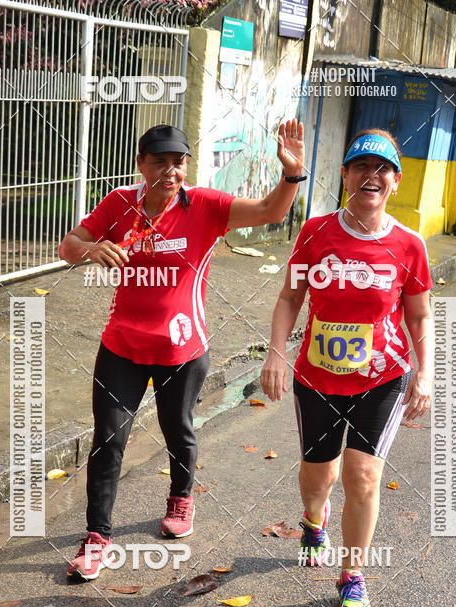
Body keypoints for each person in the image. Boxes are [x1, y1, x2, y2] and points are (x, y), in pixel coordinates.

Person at [59, 120, 305, 580]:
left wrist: (290, 176)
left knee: (179, 428)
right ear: (141, 165)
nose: (170, 172)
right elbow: (69, 245)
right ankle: (97, 538)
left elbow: (272, 211)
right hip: (122, 347)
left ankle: (181, 496)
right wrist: (93, 251)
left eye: (179, 162)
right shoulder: (118, 203)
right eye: (160, 163)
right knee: (108, 440)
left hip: (183, 348)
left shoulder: (205, 205)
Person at [260, 128, 433, 607]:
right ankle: (315, 521)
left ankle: (352, 577)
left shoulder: (409, 244)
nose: (371, 176)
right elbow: (291, 297)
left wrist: (425, 372)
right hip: (317, 377)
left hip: (382, 378)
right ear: (345, 175)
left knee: (361, 476)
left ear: (395, 182)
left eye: (382, 169)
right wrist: (276, 353)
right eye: (361, 167)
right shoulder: (315, 232)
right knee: (320, 477)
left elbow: (418, 315)